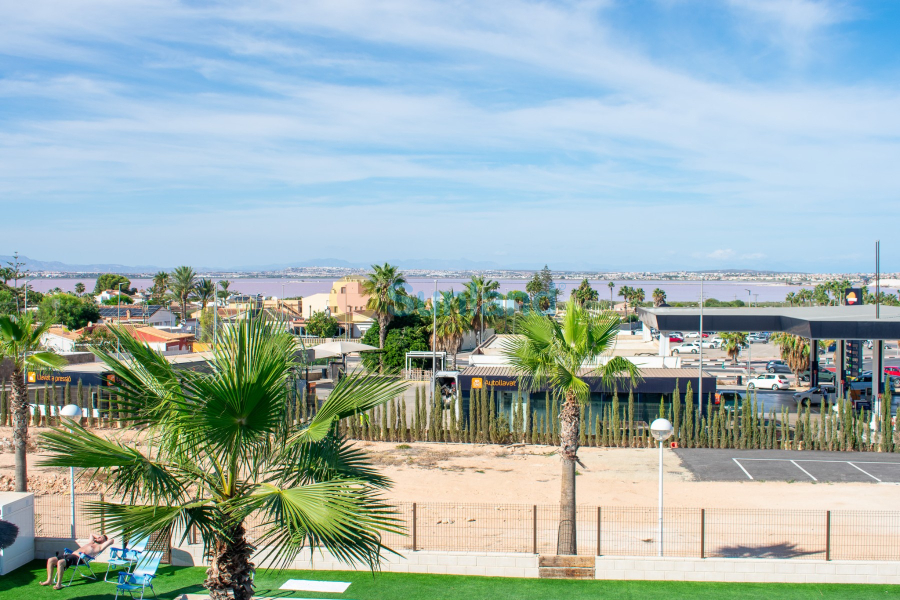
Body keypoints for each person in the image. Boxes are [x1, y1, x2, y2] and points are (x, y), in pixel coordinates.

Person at [41, 533, 115, 590]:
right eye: (98, 536)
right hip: (71, 554)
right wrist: (98, 537)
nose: (98, 537)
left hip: (79, 558)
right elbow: (91, 534)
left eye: (100, 537)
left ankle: (59, 584)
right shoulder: (91, 542)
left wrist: (103, 539)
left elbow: (111, 540)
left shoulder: (100, 547)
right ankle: (49, 580)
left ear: (104, 541)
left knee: (60, 562)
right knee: (50, 560)